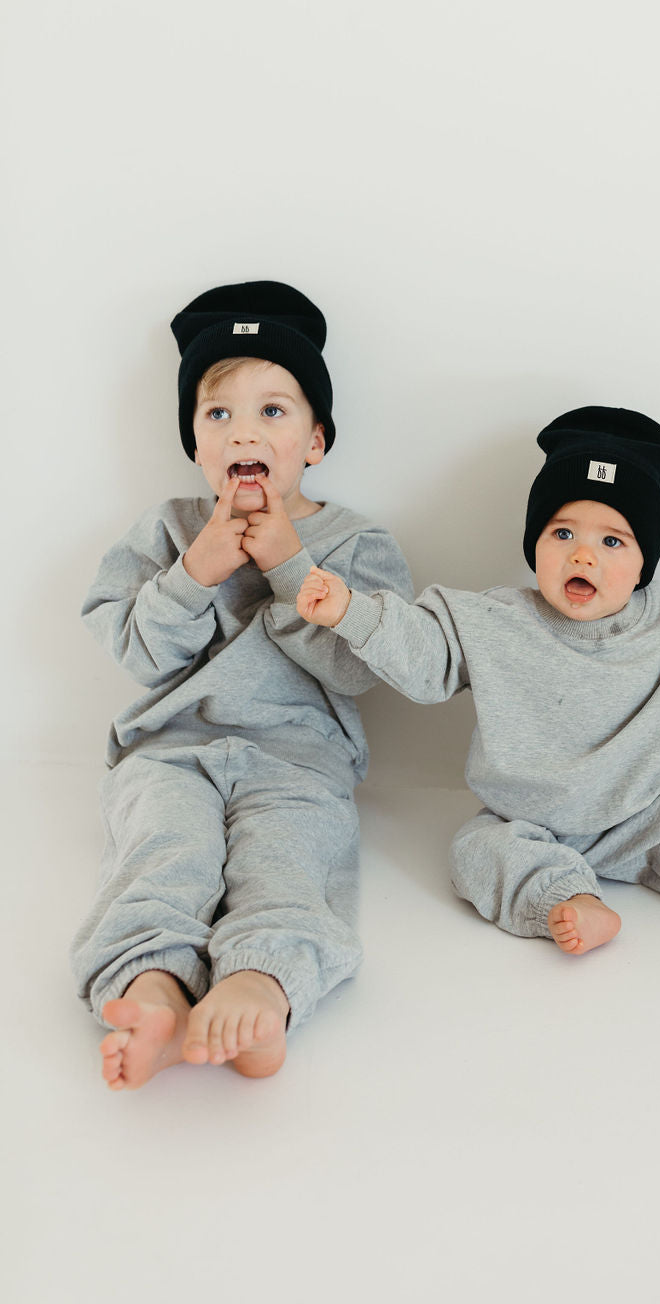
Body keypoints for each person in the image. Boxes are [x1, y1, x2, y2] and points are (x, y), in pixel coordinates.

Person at [296, 405, 660, 965]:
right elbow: (424, 649)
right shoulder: (493, 621)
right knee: (478, 853)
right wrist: (351, 611)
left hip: (649, 806)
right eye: (562, 531)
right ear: (535, 544)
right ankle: (569, 898)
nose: (582, 553)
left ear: (644, 564)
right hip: (524, 818)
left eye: (613, 542)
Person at [71, 281, 413, 1089]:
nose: (242, 432)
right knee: (164, 852)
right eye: (217, 414)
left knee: (289, 864)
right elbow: (134, 646)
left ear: (316, 440)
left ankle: (264, 980)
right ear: (196, 443)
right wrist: (196, 574)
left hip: (299, 762)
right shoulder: (171, 529)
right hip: (169, 751)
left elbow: (363, 669)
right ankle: (150, 983)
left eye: (273, 411)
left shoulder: (357, 541)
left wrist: (291, 567)